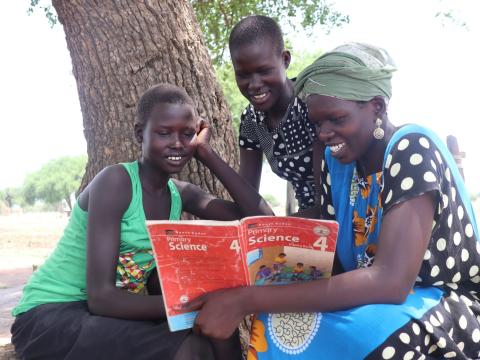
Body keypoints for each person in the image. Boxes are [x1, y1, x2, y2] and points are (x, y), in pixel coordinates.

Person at [183, 43, 480, 359]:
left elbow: (391, 283)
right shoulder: (336, 163)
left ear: (376, 107)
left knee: (371, 336)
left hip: (443, 303)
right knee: (280, 324)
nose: (324, 133)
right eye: (317, 123)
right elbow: (333, 261)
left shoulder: (411, 147)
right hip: (376, 297)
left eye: (337, 119)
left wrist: (247, 298)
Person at [10, 83, 273, 360]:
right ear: (140, 134)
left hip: (98, 314)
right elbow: (101, 297)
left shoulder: (180, 195)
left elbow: (261, 221)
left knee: (215, 329)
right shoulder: (116, 183)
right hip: (50, 315)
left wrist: (207, 154)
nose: (177, 143)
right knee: (192, 347)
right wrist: (193, 305)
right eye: (163, 133)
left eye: (187, 134)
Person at [229, 15, 318, 212]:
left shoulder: (311, 104)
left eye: (264, 71)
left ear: (285, 60)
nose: (254, 85)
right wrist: (206, 153)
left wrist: (280, 229)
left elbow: (330, 201)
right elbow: (247, 198)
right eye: (243, 75)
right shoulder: (252, 121)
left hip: (349, 214)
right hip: (309, 221)